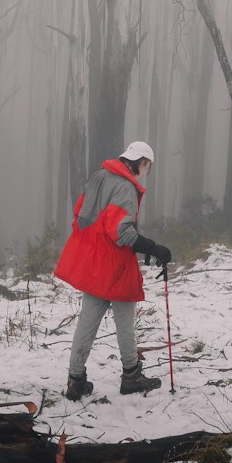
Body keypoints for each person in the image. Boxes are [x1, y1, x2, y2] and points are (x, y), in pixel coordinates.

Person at [54, 139, 172, 399]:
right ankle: (131, 376)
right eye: (148, 167)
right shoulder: (125, 186)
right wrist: (153, 248)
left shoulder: (100, 176)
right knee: (125, 322)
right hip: (115, 266)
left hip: (94, 263)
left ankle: (75, 381)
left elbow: (81, 215)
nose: (147, 172)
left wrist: (99, 244)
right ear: (141, 163)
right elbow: (121, 232)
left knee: (87, 323)